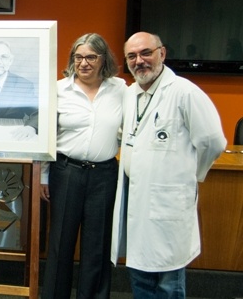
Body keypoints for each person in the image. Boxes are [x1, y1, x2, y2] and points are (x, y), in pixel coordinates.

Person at [111, 32, 227, 299]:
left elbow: (213, 141)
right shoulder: (130, 94)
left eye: (146, 53)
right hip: (137, 202)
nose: (139, 61)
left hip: (168, 203)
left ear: (162, 53)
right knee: (139, 273)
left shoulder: (184, 92)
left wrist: (193, 173)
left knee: (167, 281)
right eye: (132, 56)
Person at [39, 33, 126, 299]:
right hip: (66, 172)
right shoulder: (58, 89)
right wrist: (44, 175)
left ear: (103, 59)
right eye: (78, 57)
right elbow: (47, 134)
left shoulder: (121, 89)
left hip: (104, 175)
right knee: (60, 244)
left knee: (97, 246)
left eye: (90, 57)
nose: (83, 63)